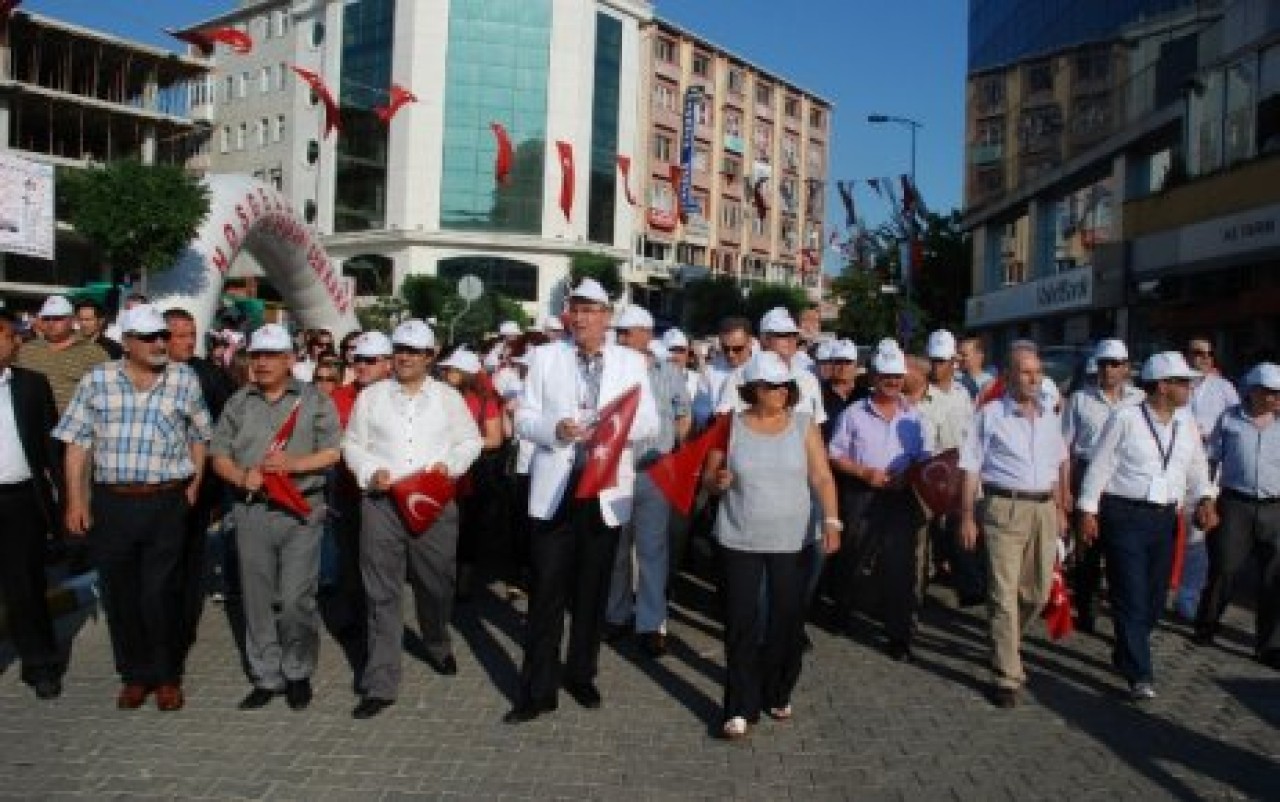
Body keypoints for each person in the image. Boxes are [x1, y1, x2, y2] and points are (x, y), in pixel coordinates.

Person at [504, 279, 659, 724]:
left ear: (607, 317)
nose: (581, 317)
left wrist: (611, 428)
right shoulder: (546, 356)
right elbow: (524, 418)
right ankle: (537, 689)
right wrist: (555, 429)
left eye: (590, 310)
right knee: (546, 591)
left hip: (605, 488)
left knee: (592, 592)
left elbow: (649, 422)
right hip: (556, 488)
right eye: (575, 309)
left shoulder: (630, 361)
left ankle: (581, 674)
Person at [52, 304, 213, 712]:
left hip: (166, 501)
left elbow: (200, 435)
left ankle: (167, 675)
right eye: (149, 337)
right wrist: (76, 500)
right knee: (120, 591)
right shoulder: (97, 380)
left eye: (163, 336)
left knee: (161, 592)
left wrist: (194, 483)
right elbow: (77, 443)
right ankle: (134, 675)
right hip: (114, 503)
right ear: (126, 342)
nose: (159, 343)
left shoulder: (183, 379)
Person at [341, 320, 482, 719]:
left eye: (413, 351)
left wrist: (449, 466)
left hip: (432, 502)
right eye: (399, 349)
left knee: (436, 585)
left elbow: (470, 440)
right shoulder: (371, 397)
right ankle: (380, 681)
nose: (404, 357)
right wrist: (370, 471)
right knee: (381, 593)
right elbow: (352, 443)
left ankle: (436, 641)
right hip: (382, 503)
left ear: (429, 357)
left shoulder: (447, 398)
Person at [703, 351, 840, 738]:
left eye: (784, 386)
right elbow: (709, 477)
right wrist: (718, 482)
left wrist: (832, 520)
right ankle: (739, 706)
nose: (780, 392)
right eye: (771, 386)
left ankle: (778, 689)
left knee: (787, 620)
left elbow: (822, 476)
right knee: (741, 622)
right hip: (739, 536)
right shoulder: (728, 424)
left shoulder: (804, 424)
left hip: (793, 539)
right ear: (752, 389)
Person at [209, 324, 342, 711]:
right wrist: (240, 476)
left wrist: (294, 464)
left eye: (271, 356)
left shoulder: (315, 400)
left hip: (300, 509)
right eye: (257, 355)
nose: (262, 363)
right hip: (251, 509)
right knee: (256, 595)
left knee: (297, 598)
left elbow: (333, 451)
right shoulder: (238, 403)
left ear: (290, 360)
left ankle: (298, 670)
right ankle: (266, 674)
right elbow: (219, 455)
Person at [1078, 352, 1216, 701]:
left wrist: (1205, 498)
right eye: (1183, 382)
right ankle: (1140, 674)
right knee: (1131, 594)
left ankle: (1127, 648)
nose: (1189, 388)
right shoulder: (1126, 418)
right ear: (1163, 386)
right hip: (1125, 515)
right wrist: (1087, 511)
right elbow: (1100, 465)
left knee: (1154, 599)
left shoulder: (1186, 422)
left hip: (1164, 519)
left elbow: (1197, 467)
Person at [958, 348, 1070, 708]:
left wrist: (1062, 505)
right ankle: (1007, 674)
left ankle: (1004, 641)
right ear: (1008, 376)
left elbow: (1060, 462)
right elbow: (970, 467)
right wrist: (967, 516)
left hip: (1044, 509)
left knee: (1037, 592)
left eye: (1038, 372)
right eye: (1026, 372)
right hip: (1004, 506)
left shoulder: (1050, 416)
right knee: (1003, 592)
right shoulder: (990, 416)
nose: (1034, 379)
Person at [828, 341, 931, 660]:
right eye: (886, 376)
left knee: (900, 566)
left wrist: (909, 476)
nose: (893, 382)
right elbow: (834, 454)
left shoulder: (914, 416)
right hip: (862, 493)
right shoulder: (853, 414)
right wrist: (863, 472)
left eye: (897, 377)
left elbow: (924, 458)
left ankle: (898, 634)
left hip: (900, 497)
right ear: (873, 377)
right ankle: (843, 610)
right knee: (853, 557)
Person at [605, 307, 691, 657]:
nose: (623, 338)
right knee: (617, 549)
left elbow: (683, 414)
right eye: (620, 332)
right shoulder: (609, 369)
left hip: (656, 470)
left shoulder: (668, 372)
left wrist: (675, 452)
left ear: (647, 334)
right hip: (617, 470)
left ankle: (652, 623)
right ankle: (616, 614)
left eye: (629, 332)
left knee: (653, 550)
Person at [1193, 362, 1280, 669]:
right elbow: (1211, 459)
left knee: (1274, 577)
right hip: (1235, 503)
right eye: (1269, 392)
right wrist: (1207, 498)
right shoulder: (1230, 419)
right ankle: (1207, 624)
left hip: (1275, 506)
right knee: (1224, 568)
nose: (1274, 398)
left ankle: (1269, 645)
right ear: (1252, 392)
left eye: (1278, 393)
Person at [164, 307, 235, 668]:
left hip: (199, 484)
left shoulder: (209, 374)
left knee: (191, 555)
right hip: (153, 484)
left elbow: (227, 426)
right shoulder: (147, 375)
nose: (189, 341)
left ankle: (183, 624)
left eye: (192, 334)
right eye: (180, 335)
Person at [0, 310, 65, 699]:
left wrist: (66, 499)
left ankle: (40, 664)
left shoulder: (31, 386)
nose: (12, 342)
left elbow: (51, 448)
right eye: (6, 335)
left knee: (25, 585)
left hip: (20, 499)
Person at [1062, 338, 1144, 632]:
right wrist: (1065, 490)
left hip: (1123, 476)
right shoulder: (1080, 400)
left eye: (1114, 364)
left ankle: (1124, 613)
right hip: (1087, 471)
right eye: (1103, 364)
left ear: (1126, 368)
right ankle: (1086, 610)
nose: (1108, 369)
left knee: (1121, 548)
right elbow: (1064, 448)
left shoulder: (1139, 399)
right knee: (1087, 549)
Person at [327, 332, 394, 639]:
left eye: (370, 360)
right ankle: (354, 616)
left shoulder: (400, 397)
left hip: (389, 496)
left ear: (387, 363)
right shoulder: (339, 397)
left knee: (382, 565)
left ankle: (381, 623)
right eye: (357, 360)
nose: (361, 366)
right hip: (348, 491)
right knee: (351, 558)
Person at [1177, 337, 1240, 620]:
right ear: (1186, 355)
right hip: (1170, 466)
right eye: (1197, 353)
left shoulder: (1224, 389)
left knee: (1197, 535)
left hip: (1205, 468)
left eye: (1209, 353)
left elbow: (1236, 422)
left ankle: (1188, 596)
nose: (1203, 358)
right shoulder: (1174, 383)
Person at [437, 346, 505, 600]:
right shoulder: (440, 396)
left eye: (452, 369)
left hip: (474, 471)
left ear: (465, 372)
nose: (446, 373)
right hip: (444, 468)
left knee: (468, 526)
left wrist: (463, 444)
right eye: (446, 369)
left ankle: (462, 580)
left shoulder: (485, 400)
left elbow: (495, 439)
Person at [919, 330, 980, 606]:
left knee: (960, 526)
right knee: (926, 534)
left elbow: (971, 434)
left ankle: (968, 587)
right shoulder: (922, 394)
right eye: (932, 360)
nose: (936, 366)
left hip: (960, 472)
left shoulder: (963, 393)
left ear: (953, 362)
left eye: (941, 361)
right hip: (930, 473)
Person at [17, 295, 111, 412]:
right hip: (33, 419)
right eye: (46, 318)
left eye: (57, 318)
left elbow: (106, 391)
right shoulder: (26, 350)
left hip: (74, 420)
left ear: (72, 320)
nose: (51, 323)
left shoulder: (94, 353)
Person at [818, 339, 862, 443]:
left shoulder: (865, 395)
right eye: (838, 362)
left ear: (856, 365)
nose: (843, 367)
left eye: (848, 362)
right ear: (831, 365)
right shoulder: (818, 394)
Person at [957, 336, 994, 401]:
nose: (959, 358)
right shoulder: (954, 378)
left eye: (964, 355)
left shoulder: (991, 384)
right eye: (958, 354)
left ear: (979, 355)